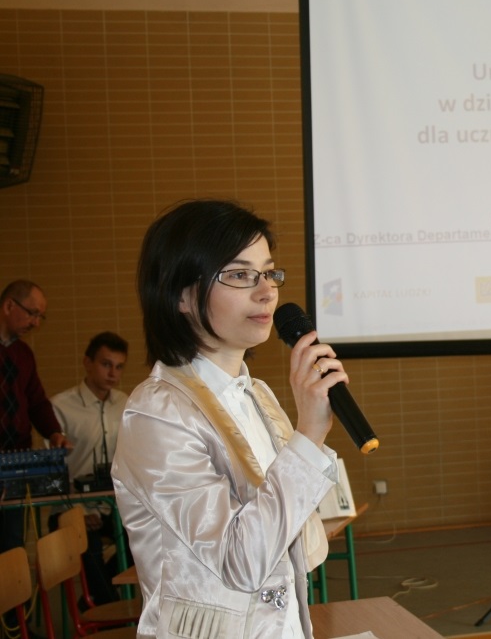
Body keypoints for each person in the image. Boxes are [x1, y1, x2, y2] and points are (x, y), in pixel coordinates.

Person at [112, 199, 345, 639]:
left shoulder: (257, 394)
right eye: (239, 275)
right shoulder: (157, 412)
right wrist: (309, 434)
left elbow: (303, 547)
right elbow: (244, 562)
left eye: (269, 273)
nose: (266, 292)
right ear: (181, 295)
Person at [50, 331, 130, 606]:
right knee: (90, 546)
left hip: (114, 507)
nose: (113, 373)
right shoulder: (59, 407)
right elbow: (53, 474)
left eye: (119, 366)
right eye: (106, 364)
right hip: (70, 508)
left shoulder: (125, 403)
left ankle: (97, 600)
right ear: (88, 363)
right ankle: (110, 610)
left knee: (148, 538)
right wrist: (80, 512)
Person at [0, 279, 73, 554]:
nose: (36, 323)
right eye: (32, 313)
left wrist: (54, 433)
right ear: (9, 305)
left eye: (41, 317)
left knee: (12, 546)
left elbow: (37, 403)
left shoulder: (23, 354)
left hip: (14, 467)